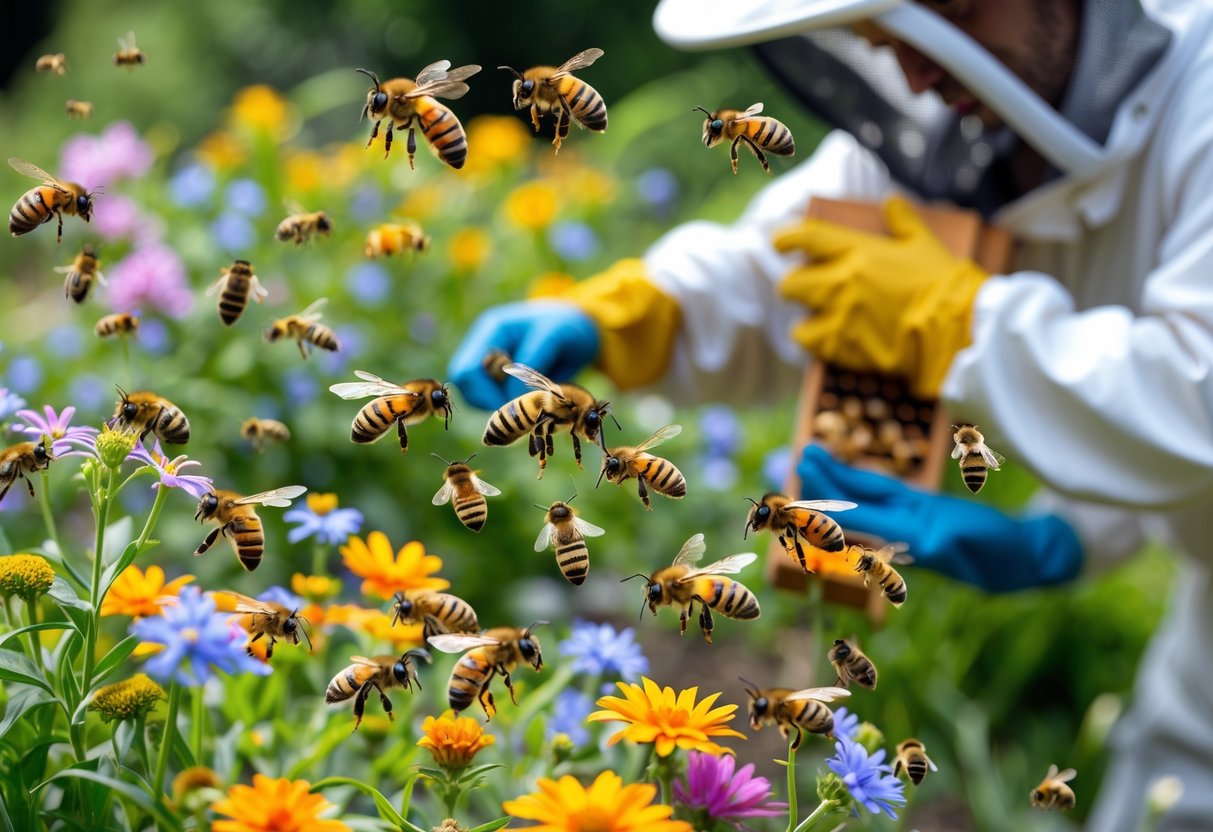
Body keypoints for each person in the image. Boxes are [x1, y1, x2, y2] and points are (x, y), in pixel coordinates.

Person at [447, 1, 1213, 828]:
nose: (916, 73)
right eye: (885, 41)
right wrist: (635, 314)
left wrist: (967, 324)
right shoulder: (954, 114)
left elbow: (1192, 393)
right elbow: (792, 263)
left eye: (949, 17)